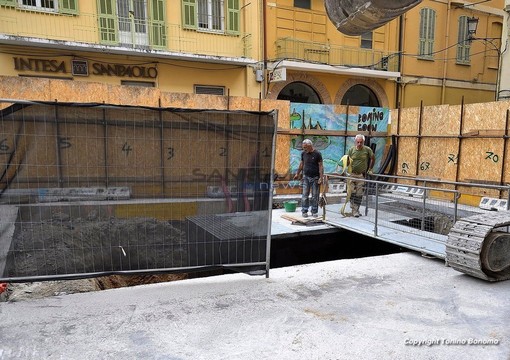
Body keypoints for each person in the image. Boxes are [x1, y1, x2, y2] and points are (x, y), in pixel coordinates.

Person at [346, 134, 375, 217]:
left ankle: (355, 210)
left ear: (363, 142)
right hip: (351, 174)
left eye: (361, 142)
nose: (359, 144)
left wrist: (370, 169)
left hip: (361, 175)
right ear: (355, 142)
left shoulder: (367, 150)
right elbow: (347, 160)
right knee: (351, 192)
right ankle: (353, 207)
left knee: (359, 194)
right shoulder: (351, 150)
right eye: (358, 142)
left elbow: (373, 158)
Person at [293, 139, 324, 218]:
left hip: (315, 177)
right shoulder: (303, 153)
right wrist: (297, 173)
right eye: (303, 147)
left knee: (315, 196)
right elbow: (301, 164)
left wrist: (321, 177)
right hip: (306, 177)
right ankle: (304, 210)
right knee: (305, 195)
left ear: (310, 146)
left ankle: (314, 211)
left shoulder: (317, 154)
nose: (304, 149)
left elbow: (320, 166)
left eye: (305, 147)